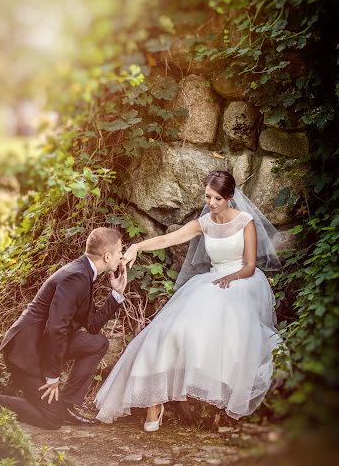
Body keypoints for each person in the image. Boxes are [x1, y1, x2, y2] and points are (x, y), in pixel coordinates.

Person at [95, 170, 283, 431]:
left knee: (213, 328)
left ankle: (212, 390)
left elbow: (250, 265)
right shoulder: (203, 223)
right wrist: (137, 247)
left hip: (240, 282)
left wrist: (232, 277)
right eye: (208, 196)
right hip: (210, 283)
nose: (212, 203)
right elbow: (167, 239)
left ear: (229, 197)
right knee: (168, 331)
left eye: (217, 198)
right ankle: (154, 400)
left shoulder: (245, 222)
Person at [0, 227, 127, 429]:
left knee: (98, 342)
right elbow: (55, 328)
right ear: (107, 256)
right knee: (52, 420)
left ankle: (65, 405)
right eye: (120, 250)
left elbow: (92, 326)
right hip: (25, 352)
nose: (122, 255)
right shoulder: (76, 276)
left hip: (42, 345)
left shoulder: (85, 273)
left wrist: (116, 295)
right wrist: (53, 375)